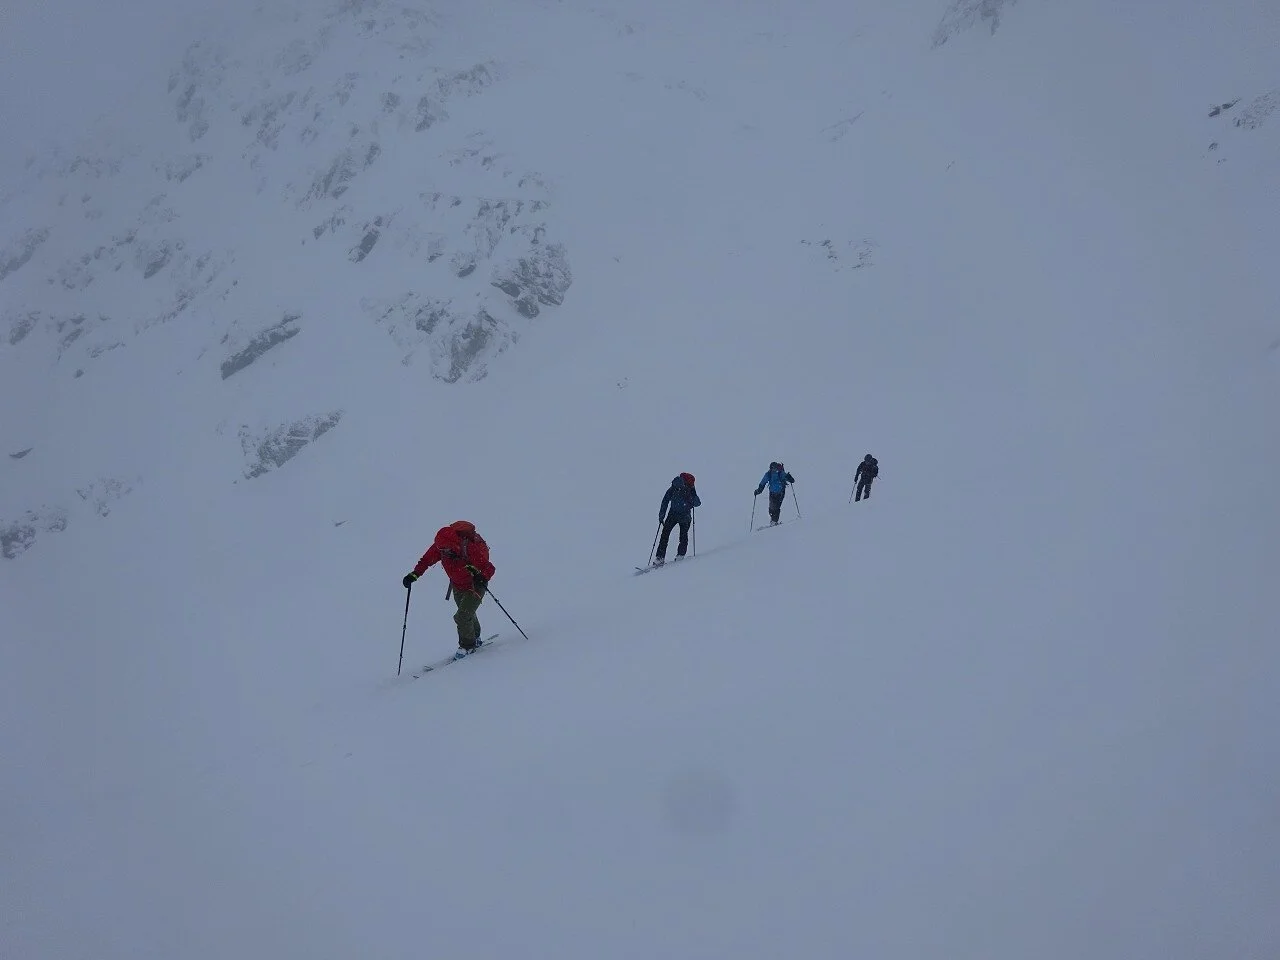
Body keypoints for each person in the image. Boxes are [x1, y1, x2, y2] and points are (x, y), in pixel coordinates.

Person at [402, 520, 496, 659]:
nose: (443, 553)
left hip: (475, 585)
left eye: (446, 550)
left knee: (462, 616)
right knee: (467, 614)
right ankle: (475, 638)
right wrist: (414, 574)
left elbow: (489, 568)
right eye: (441, 550)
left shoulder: (468, 548)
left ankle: (467, 646)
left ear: (453, 545)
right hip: (457, 586)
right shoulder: (441, 547)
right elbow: (426, 560)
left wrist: (481, 576)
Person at [654, 472, 700, 565]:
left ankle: (660, 557)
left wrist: (661, 515)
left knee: (665, 535)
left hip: (672, 514)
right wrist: (693, 495)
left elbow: (665, 500)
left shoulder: (673, 487)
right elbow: (697, 503)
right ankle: (680, 555)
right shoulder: (690, 488)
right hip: (685, 516)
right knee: (683, 536)